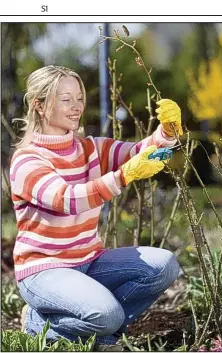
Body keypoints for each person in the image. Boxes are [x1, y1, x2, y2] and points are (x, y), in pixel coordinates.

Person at [10, 65, 183, 351]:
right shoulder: (27, 160)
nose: (76, 106)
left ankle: (102, 337)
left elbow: (139, 153)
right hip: (43, 270)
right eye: (66, 100)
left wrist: (167, 133)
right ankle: (38, 323)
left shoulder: (90, 149)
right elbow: (67, 200)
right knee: (107, 314)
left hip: (89, 261)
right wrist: (122, 176)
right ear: (39, 105)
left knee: (164, 266)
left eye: (79, 98)